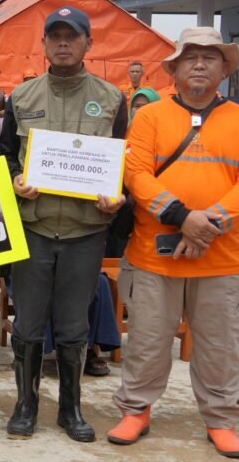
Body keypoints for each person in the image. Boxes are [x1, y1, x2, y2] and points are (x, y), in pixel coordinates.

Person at [107, 27, 239, 458]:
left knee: (220, 345)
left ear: (224, 69)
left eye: (210, 57)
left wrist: (208, 224)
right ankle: (136, 410)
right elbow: (136, 175)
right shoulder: (149, 117)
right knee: (147, 339)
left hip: (222, 257)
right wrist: (183, 218)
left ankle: (221, 419)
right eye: (190, 57)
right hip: (154, 255)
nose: (199, 64)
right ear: (175, 69)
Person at [0, 6, 127, 442]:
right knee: (28, 324)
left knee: (75, 326)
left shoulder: (111, 99)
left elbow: (124, 159)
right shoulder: (22, 97)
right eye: (55, 36)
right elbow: (6, 155)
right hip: (34, 227)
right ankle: (26, 405)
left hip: (85, 230)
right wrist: (15, 179)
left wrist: (117, 195)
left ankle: (70, 408)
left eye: (72, 36)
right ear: (44, 44)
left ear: (89, 42)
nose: (63, 43)